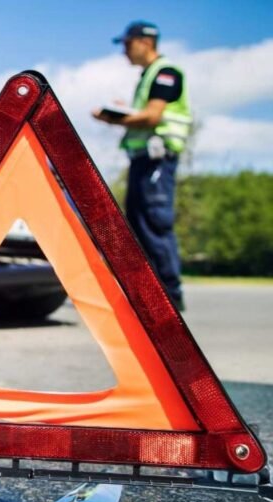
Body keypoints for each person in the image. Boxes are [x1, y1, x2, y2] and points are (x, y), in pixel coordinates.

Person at [93, 21, 192, 311]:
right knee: (138, 223)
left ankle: (170, 297)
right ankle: (149, 295)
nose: (124, 51)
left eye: (127, 44)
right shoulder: (149, 76)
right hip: (143, 161)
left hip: (157, 160)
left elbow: (152, 117)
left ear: (145, 42)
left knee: (154, 223)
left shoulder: (165, 73)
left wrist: (115, 118)